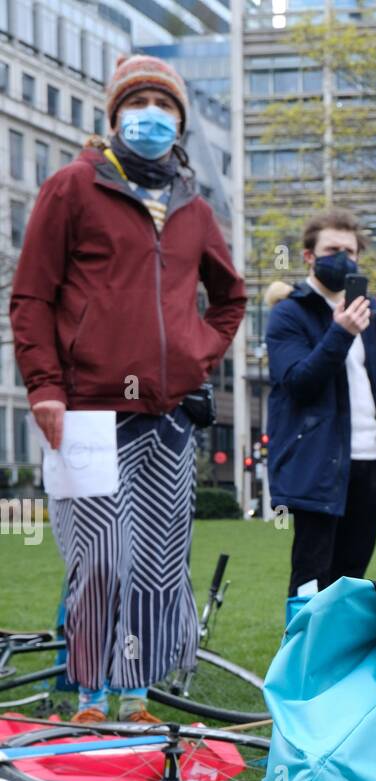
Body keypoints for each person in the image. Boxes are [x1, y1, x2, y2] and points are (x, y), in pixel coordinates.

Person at [11, 53, 245, 725]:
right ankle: (88, 696)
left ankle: (136, 695)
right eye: (137, 104)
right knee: (100, 564)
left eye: (164, 105)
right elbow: (30, 297)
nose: (151, 116)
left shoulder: (193, 206)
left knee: (154, 565)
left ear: (179, 121)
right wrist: (45, 388)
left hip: (165, 418)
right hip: (85, 412)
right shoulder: (72, 187)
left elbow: (229, 297)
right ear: (115, 116)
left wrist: (196, 355)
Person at [265, 208, 376, 597]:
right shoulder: (289, 314)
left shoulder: (372, 314)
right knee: (311, 581)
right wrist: (339, 332)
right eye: (332, 249)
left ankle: (340, 656)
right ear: (309, 256)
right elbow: (298, 382)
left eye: (350, 252)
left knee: (351, 580)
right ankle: (304, 657)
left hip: (371, 463)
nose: (343, 259)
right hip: (318, 464)